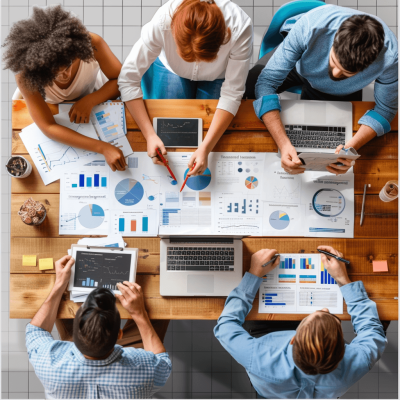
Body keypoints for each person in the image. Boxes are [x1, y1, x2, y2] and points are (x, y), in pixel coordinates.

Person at [214, 246, 387, 399]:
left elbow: (225, 326)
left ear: (293, 338)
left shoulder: (257, 357)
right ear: (342, 348)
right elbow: (372, 330)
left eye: (319, 313)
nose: (325, 309)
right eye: (332, 317)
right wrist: (343, 280)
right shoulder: (357, 363)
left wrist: (253, 274)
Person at [249, 5, 398, 176]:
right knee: (250, 85)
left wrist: (350, 149)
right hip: (299, 65)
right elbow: (266, 82)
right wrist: (283, 143)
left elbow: (386, 110)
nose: (334, 74)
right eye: (334, 62)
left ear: (369, 67)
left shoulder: (391, 58)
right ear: (334, 39)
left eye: (345, 73)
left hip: (339, 91)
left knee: (322, 142)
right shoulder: (309, 27)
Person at [118, 0, 253, 176]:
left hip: (218, 75)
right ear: (173, 31)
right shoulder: (162, 21)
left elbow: (232, 93)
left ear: (223, 38)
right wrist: (149, 135)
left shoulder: (239, 26)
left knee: (211, 135)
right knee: (168, 134)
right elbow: (128, 78)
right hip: (171, 70)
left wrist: (205, 148)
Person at [26, 255, 171, 399]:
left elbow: (36, 331)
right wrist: (139, 313)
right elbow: (162, 361)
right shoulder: (144, 369)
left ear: (75, 334)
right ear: (119, 335)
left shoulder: (49, 363)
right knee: (157, 312)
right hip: (122, 357)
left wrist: (59, 285)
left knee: (60, 302)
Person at [3, 5, 127, 172]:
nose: (65, 75)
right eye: (54, 73)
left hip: (93, 93)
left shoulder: (93, 44)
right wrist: (103, 147)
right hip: (50, 105)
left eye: (68, 65)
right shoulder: (25, 73)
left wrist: (91, 100)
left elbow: (121, 80)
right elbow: (47, 126)